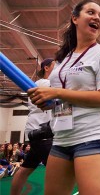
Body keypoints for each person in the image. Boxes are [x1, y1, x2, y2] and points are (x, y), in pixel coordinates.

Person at [27, 0, 100, 195]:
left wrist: (56, 92)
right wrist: (49, 102)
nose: (98, 19)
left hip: (92, 137)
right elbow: (63, 99)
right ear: (75, 18)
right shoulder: (63, 60)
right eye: (92, 13)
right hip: (61, 139)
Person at [11, 58, 55, 195]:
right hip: (42, 132)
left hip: (37, 131)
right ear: (46, 68)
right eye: (55, 66)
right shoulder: (45, 83)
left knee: (25, 169)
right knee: (57, 171)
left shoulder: (36, 84)